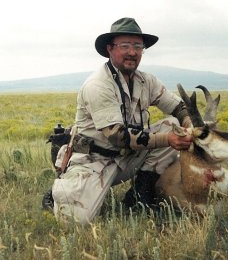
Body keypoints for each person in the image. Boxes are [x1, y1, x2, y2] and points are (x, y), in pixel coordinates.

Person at [51, 17, 193, 225]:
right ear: (110, 49)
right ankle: (59, 191)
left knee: (174, 125)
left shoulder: (146, 81)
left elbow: (178, 107)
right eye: (125, 46)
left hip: (128, 157)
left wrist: (188, 123)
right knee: (74, 221)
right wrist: (169, 139)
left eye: (138, 46)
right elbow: (118, 136)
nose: (132, 52)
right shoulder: (98, 85)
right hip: (95, 160)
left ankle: (139, 195)